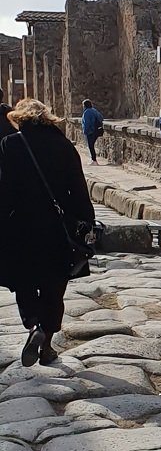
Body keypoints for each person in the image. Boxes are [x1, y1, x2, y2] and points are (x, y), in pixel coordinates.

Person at [0, 98, 96, 367]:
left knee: (25, 282)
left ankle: (33, 326)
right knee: (55, 285)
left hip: (20, 227)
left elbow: (4, 190)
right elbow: (78, 188)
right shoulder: (64, 146)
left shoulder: (11, 145)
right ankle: (47, 343)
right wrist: (87, 221)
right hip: (58, 228)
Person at [80, 100, 103, 166]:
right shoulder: (94, 110)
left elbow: (87, 123)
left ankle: (94, 160)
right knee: (92, 145)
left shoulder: (87, 112)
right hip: (96, 131)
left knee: (90, 146)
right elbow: (101, 118)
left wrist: (85, 131)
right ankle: (93, 159)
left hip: (90, 131)